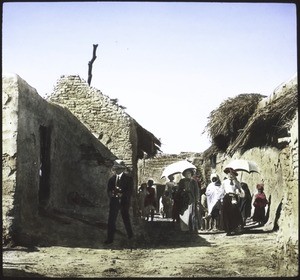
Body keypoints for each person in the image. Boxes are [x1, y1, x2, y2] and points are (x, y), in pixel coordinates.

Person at [104, 160, 133, 244]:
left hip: (124, 202)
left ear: (123, 169)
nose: (117, 170)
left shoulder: (128, 179)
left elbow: (130, 191)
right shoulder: (112, 179)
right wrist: (112, 194)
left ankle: (130, 235)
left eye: (119, 168)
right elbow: (108, 190)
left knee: (125, 218)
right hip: (114, 202)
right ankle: (110, 239)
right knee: (111, 220)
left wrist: (122, 194)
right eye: (116, 168)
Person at [221, 168, 245, 236]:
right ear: (227, 174)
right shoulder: (224, 182)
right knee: (226, 214)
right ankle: (228, 230)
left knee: (234, 213)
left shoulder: (236, 182)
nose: (231, 175)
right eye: (229, 174)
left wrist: (240, 192)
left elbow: (241, 190)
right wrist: (221, 200)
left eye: (232, 174)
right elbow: (222, 191)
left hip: (234, 198)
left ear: (234, 175)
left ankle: (234, 228)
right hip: (227, 198)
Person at [178, 168, 199, 233]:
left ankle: (192, 228)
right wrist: (183, 191)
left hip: (191, 199)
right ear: (184, 174)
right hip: (184, 200)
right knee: (184, 214)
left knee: (192, 214)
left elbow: (196, 191)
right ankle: (185, 228)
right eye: (186, 173)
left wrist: (196, 200)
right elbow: (179, 190)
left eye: (189, 173)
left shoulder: (193, 182)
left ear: (191, 174)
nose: (188, 175)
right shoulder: (181, 181)